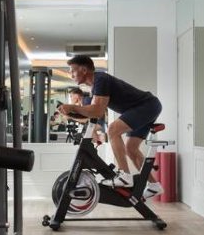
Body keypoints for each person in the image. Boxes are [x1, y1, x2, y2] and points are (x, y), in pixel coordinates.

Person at [58, 56, 163, 198]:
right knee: (131, 149)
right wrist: (70, 113)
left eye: (72, 71)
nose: (71, 75)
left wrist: (72, 107)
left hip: (147, 105)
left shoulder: (100, 79)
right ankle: (154, 185)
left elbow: (97, 111)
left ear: (84, 69)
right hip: (146, 107)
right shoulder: (95, 86)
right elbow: (92, 114)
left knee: (113, 130)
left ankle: (124, 176)